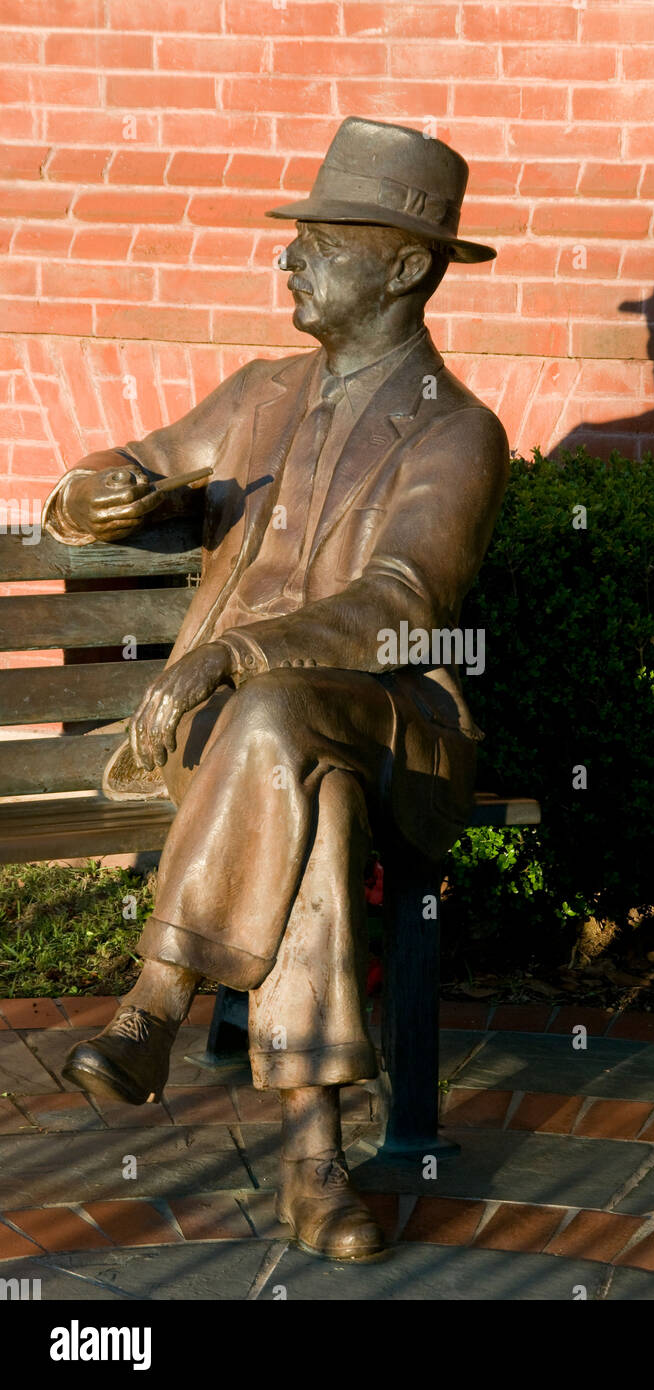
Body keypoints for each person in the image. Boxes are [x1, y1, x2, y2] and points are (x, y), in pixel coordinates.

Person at [42, 117, 509, 1261]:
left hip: (391, 719)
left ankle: (155, 999)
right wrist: (94, 494)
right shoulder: (256, 392)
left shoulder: (457, 433)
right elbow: (127, 466)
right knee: (311, 786)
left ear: (404, 266)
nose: (286, 258)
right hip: (257, 745)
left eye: (319, 239)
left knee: (285, 719)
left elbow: (401, 600)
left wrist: (238, 653)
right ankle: (316, 1163)